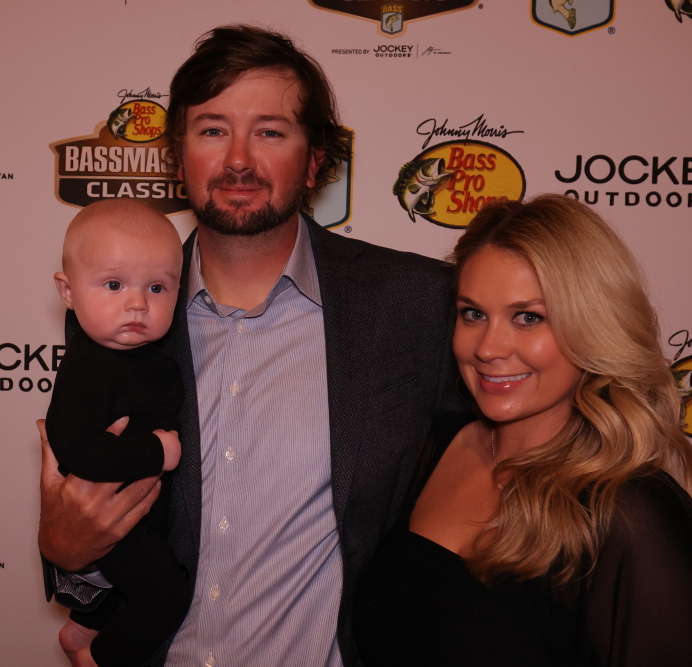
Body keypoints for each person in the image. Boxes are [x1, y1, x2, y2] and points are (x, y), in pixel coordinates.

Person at [37, 25, 465, 667]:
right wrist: (68, 554)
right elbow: (97, 529)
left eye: (270, 132)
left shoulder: (415, 305)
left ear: (315, 159)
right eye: (212, 130)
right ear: (177, 158)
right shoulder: (116, 317)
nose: (238, 160)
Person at [354, 194, 692, 667]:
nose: (488, 347)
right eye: (473, 314)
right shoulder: (437, 444)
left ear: (593, 327)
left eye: (528, 317)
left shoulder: (629, 514)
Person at [45, 200, 190, 667]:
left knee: (141, 585)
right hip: (114, 519)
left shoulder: (147, 356)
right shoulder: (87, 367)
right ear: (68, 292)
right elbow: (77, 449)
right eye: (113, 285)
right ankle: (100, 658)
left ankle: (82, 629)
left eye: (157, 287)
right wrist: (156, 451)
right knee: (165, 598)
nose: (137, 303)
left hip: (143, 512)